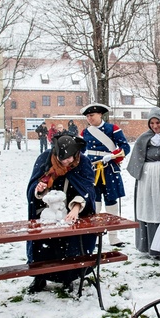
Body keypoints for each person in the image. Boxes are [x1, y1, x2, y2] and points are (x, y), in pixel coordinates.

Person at [25, 133, 96, 294]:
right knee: (44, 246)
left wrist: (76, 208)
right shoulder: (45, 159)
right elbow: (33, 186)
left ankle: (69, 277)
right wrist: (39, 190)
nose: (67, 162)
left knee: (71, 245)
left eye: (70, 158)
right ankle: (40, 276)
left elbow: (88, 189)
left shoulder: (83, 162)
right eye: (63, 159)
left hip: (74, 211)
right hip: (47, 213)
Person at [126, 107, 160, 259]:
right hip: (147, 180)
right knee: (149, 209)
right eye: (152, 123)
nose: (155, 126)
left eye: (158, 122)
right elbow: (136, 160)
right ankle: (149, 245)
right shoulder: (143, 138)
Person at [80, 102, 130, 247]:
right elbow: (81, 151)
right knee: (94, 202)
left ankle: (113, 236)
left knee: (111, 201)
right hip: (92, 170)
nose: (90, 118)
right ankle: (95, 235)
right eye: (88, 116)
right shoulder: (85, 132)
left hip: (109, 169)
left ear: (100, 114)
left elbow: (125, 147)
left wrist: (113, 155)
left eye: (92, 115)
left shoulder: (112, 129)